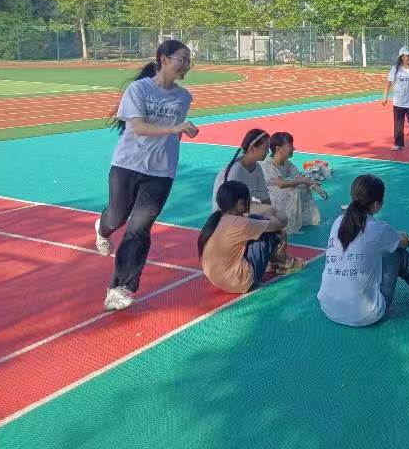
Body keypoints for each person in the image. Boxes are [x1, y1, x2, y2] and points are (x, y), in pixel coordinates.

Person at [98, 39, 198, 311]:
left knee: (139, 227)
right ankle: (102, 227)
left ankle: (121, 287)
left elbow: (172, 131)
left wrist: (183, 130)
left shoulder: (183, 97)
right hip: (127, 165)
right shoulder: (138, 89)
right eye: (181, 58)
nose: (186, 64)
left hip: (161, 172)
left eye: (189, 60)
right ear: (163, 59)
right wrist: (175, 128)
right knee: (117, 217)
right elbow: (140, 128)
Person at [317, 175, 409, 327]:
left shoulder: (338, 221)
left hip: (328, 306)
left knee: (379, 249)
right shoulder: (380, 229)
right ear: (376, 204)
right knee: (395, 252)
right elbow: (403, 243)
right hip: (366, 314)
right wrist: (400, 236)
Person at [213, 129, 306, 274]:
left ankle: (275, 259)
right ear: (252, 148)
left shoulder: (256, 168)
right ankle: (280, 261)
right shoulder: (235, 171)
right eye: (265, 148)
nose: (267, 151)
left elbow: (265, 200)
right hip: (229, 216)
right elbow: (230, 209)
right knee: (275, 224)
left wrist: (273, 218)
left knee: (281, 218)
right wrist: (270, 223)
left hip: (244, 208)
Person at [199, 181, 286, 294]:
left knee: (256, 225)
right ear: (240, 203)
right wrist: (269, 213)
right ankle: (281, 262)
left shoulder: (215, 220)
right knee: (270, 231)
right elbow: (278, 224)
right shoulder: (240, 223)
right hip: (241, 281)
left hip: (217, 280)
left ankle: (277, 262)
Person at [260, 132, 326, 235]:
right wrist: (305, 181)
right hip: (267, 196)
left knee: (303, 187)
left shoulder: (287, 163)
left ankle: (301, 221)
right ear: (278, 149)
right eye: (290, 146)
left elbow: (299, 177)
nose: (293, 148)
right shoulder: (267, 164)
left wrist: (315, 186)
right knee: (294, 192)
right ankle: (286, 225)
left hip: (278, 191)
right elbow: (281, 184)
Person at [382, 47, 409, 151]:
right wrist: (385, 96)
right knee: (398, 124)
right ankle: (398, 143)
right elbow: (388, 82)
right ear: (402, 57)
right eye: (407, 55)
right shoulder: (395, 69)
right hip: (399, 102)